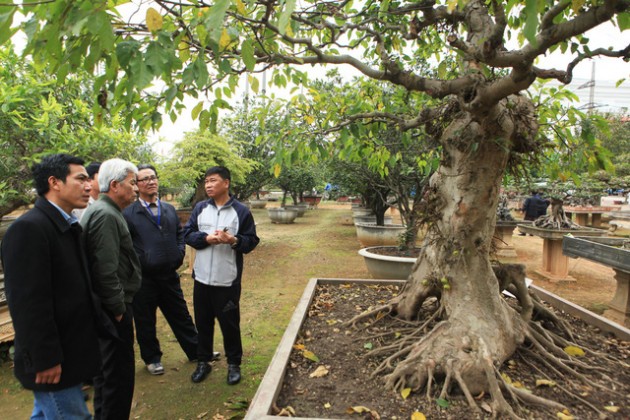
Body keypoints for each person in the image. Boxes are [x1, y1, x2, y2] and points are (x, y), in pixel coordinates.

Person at [1, 154, 101, 419]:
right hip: (54, 359)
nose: (89, 186)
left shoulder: (66, 225)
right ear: (54, 182)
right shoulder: (29, 229)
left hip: (71, 348)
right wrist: (45, 358)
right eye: (80, 179)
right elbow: (27, 302)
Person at [184, 166, 259, 385]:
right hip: (202, 280)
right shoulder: (200, 209)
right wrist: (206, 239)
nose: (208, 185)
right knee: (203, 323)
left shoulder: (241, 211)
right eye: (206, 181)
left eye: (213, 181)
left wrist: (232, 240)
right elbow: (187, 234)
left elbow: (251, 241)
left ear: (226, 183)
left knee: (230, 324)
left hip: (227, 281)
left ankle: (234, 364)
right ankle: (203, 362)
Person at [123, 164, 200, 375]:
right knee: (145, 319)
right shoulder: (129, 213)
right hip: (143, 279)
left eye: (153, 177)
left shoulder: (168, 209)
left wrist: (179, 253)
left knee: (181, 314)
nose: (150, 181)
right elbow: (127, 245)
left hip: (168, 274)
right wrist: (142, 262)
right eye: (144, 179)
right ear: (137, 185)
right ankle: (152, 358)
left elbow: (179, 233)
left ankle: (195, 351)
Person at [81, 158, 142, 420]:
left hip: (109, 307)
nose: (137, 188)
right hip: (112, 309)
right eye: (132, 183)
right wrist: (117, 309)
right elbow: (105, 270)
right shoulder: (105, 215)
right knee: (117, 377)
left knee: (108, 376)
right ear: (115, 185)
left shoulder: (108, 211)